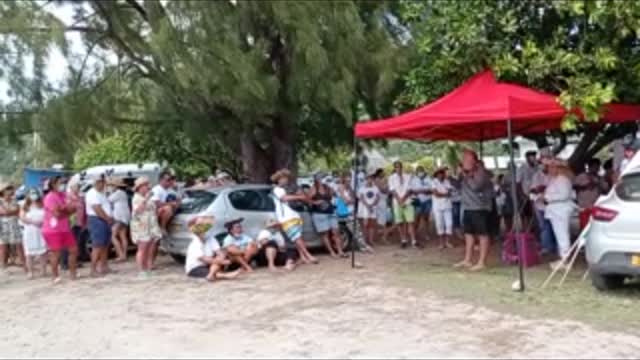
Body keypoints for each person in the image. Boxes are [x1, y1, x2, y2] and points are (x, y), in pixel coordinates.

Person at [454, 150, 494, 271]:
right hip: (467, 207)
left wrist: (465, 175)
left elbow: (476, 187)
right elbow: (457, 186)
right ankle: (467, 260)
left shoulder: (481, 172)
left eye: (466, 159)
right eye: (463, 159)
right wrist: (456, 176)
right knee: (468, 234)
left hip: (480, 208)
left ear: (474, 161)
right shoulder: (465, 173)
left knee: (482, 234)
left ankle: (482, 262)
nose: (464, 161)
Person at [271, 169, 318, 265]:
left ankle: (302, 257)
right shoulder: (277, 189)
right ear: (279, 179)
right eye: (284, 178)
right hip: (286, 218)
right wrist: (299, 197)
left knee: (297, 237)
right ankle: (308, 255)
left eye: (286, 178)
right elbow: (284, 198)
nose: (286, 180)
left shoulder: (283, 189)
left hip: (292, 216)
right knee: (297, 238)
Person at [42, 176, 78, 283]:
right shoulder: (49, 197)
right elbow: (57, 214)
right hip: (53, 230)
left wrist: (65, 211)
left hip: (65, 228)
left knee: (74, 250)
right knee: (56, 253)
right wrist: (66, 211)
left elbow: (73, 208)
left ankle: (73, 273)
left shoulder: (63, 195)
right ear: (53, 185)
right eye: (60, 183)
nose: (62, 185)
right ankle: (55, 275)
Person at [541, 159, 576, 270]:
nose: (549, 169)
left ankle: (565, 260)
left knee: (562, 235)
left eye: (552, 167)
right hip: (556, 210)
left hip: (560, 210)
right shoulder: (556, 179)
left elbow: (564, 195)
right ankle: (563, 258)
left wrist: (547, 198)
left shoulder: (563, 179)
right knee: (560, 235)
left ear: (558, 168)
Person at [185, 217, 240, 281]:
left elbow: (219, 252)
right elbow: (204, 259)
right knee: (217, 262)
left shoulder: (210, 238)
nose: (203, 230)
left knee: (221, 256)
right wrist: (221, 261)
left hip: (208, 264)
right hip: (195, 267)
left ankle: (211, 274)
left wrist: (221, 258)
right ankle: (224, 275)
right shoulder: (195, 242)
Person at [130, 177, 163, 277]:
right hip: (142, 225)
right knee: (142, 247)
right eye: (146, 186)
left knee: (150, 247)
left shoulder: (147, 197)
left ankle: (148, 268)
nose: (148, 188)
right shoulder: (136, 198)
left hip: (151, 225)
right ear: (140, 187)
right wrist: (146, 198)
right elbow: (138, 210)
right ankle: (141, 270)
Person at [310, 173, 346, 258]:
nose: (320, 179)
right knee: (325, 234)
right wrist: (315, 202)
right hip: (319, 214)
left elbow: (336, 193)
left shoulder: (327, 187)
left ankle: (340, 251)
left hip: (330, 212)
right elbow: (307, 200)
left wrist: (340, 188)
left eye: (321, 177)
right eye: (318, 177)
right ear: (315, 179)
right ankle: (332, 252)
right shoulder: (313, 189)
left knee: (336, 232)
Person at [86, 176, 114, 277]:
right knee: (97, 245)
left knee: (105, 245)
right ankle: (93, 270)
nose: (102, 184)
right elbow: (97, 208)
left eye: (103, 182)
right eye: (100, 182)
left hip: (104, 220)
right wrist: (107, 218)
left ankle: (104, 266)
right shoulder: (92, 193)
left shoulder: (101, 193)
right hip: (97, 220)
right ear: (96, 183)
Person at [530, 155, 556, 255]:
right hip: (540, 205)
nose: (544, 166)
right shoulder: (536, 176)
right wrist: (538, 190)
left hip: (552, 204)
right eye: (542, 164)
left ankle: (556, 246)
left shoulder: (554, 175)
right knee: (544, 226)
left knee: (554, 226)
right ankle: (547, 247)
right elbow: (532, 190)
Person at [574, 158, 609, 230]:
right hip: (584, 206)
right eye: (595, 167)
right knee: (584, 227)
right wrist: (585, 187)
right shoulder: (582, 176)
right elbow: (574, 187)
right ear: (590, 167)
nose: (596, 169)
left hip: (596, 206)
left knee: (595, 227)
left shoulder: (600, 178)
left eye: (598, 167)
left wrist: (598, 184)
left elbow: (606, 191)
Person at [20, 189, 47, 279]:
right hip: (29, 231)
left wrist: (42, 222)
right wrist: (33, 222)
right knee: (29, 253)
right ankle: (30, 272)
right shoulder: (25, 206)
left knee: (43, 252)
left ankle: (43, 271)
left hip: (41, 231)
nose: (33, 195)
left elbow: (47, 216)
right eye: (31, 193)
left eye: (35, 193)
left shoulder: (42, 205)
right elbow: (22, 217)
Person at [388, 161, 417, 248]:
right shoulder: (391, 178)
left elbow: (410, 189)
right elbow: (392, 190)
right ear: (394, 168)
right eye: (396, 167)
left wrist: (403, 199)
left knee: (410, 221)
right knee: (399, 222)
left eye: (399, 167)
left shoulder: (408, 177)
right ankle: (403, 240)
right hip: (397, 202)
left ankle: (414, 241)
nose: (398, 169)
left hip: (407, 201)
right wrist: (399, 200)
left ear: (402, 167)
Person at [0, 181, 23, 272]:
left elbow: (17, 211)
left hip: (14, 224)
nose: (9, 191)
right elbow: (4, 212)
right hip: (3, 225)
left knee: (18, 244)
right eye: (7, 189)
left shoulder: (14, 200)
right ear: (3, 191)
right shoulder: (1, 201)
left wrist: (9, 212)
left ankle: (22, 262)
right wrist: (11, 212)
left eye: (10, 189)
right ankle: (3, 263)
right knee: (3, 245)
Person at [108, 177, 131, 262]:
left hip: (119, 217)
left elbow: (108, 199)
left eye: (112, 186)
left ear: (115, 186)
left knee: (113, 236)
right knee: (123, 236)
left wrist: (109, 192)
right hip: (125, 217)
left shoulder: (117, 193)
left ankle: (121, 254)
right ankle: (124, 254)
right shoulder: (123, 193)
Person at [67, 179, 89, 263]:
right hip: (72, 222)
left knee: (77, 241)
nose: (78, 188)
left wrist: (84, 222)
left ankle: (76, 259)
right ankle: (71, 261)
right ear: (71, 188)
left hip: (79, 222)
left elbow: (83, 210)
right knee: (72, 242)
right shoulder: (69, 197)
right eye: (76, 187)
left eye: (78, 187)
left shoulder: (80, 198)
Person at [432, 168, 454, 250]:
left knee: (449, 224)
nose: (441, 175)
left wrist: (444, 194)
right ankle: (441, 243)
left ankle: (448, 242)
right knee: (439, 224)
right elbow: (436, 194)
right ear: (436, 174)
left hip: (447, 206)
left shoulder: (447, 181)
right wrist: (445, 194)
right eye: (439, 173)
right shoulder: (433, 181)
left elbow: (450, 191)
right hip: (437, 207)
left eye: (442, 173)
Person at [357, 173, 379, 251]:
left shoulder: (375, 188)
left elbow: (377, 197)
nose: (370, 180)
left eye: (371, 178)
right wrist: (368, 206)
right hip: (364, 208)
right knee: (365, 225)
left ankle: (371, 240)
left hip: (373, 208)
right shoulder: (362, 188)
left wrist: (372, 205)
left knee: (371, 224)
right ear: (366, 179)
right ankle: (364, 241)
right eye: (368, 178)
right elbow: (361, 198)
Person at [516, 150, 539, 226]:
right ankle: (526, 228)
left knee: (535, 212)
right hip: (525, 193)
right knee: (526, 213)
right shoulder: (522, 168)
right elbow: (518, 182)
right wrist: (521, 194)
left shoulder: (537, 167)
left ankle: (534, 227)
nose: (533, 159)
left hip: (536, 193)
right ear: (527, 158)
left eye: (534, 157)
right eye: (531, 157)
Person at [411, 166, 433, 241]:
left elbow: (432, 189)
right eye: (418, 171)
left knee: (426, 218)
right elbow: (412, 190)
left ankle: (426, 234)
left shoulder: (428, 179)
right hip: (418, 201)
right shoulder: (414, 179)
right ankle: (415, 233)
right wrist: (420, 191)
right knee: (417, 218)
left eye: (421, 171)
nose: (420, 172)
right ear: (416, 172)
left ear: (424, 171)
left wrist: (425, 191)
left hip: (427, 201)